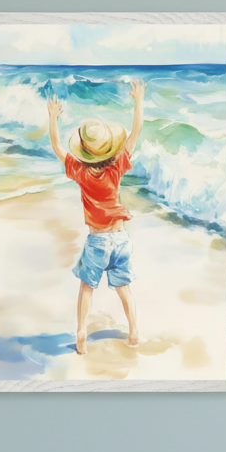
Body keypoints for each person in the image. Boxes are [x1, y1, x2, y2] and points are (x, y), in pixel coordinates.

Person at [47, 80, 145, 354]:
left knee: (87, 288)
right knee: (124, 288)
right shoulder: (117, 168)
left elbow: (56, 145)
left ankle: (81, 332)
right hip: (121, 239)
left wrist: (53, 117)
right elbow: (135, 132)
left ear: (84, 151)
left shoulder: (80, 172)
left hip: (97, 241)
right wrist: (138, 101)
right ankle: (134, 330)